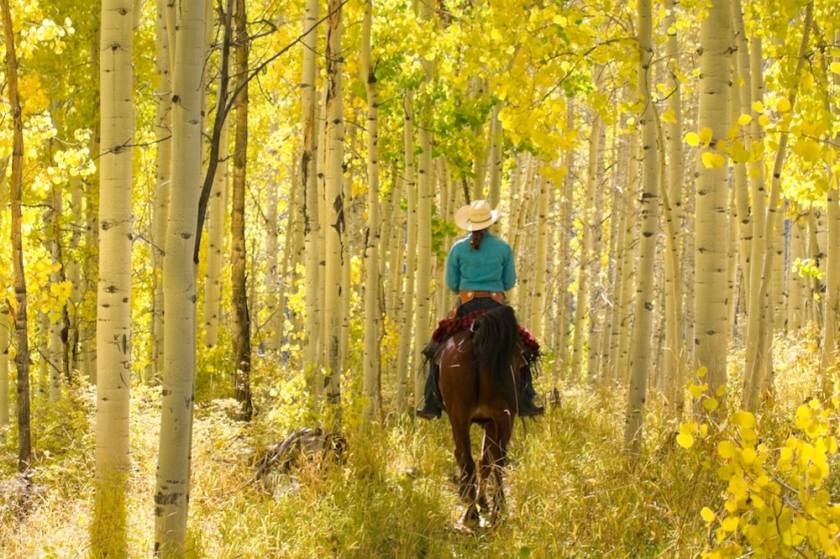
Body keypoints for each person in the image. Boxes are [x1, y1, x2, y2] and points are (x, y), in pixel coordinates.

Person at [416, 199, 544, 419]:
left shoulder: (457, 249)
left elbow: (452, 284)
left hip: (467, 306)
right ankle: (526, 399)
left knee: (434, 349)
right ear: (489, 223)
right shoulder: (503, 248)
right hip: (496, 307)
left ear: (468, 224)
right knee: (523, 349)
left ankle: (431, 402)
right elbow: (509, 281)